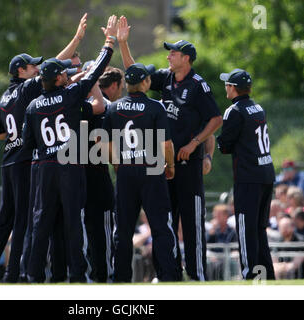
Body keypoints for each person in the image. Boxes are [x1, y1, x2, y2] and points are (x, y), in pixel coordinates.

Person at [0, 14, 89, 285]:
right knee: (24, 220)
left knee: (4, 221)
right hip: (24, 162)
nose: (37, 69)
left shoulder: (3, 98)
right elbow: (52, 65)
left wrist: (13, 134)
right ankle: (15, 275)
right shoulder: (26, 90)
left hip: (7, 162)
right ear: (21, 71)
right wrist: (78, 38)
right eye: (32, 67)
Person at [117, 16, 223, 281]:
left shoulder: (199, 85)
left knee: (192, 221)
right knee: (166, 222)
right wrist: (123, 44)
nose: (168, 56)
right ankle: (170, 274)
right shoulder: (166, 78)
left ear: (186, 58)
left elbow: (216, 119)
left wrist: (195, 143)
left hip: (189, 164)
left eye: (173, 52)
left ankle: (197, 275)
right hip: (165, 164)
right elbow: (135, 74)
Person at [22, 15, 117, 283]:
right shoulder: (71, 95)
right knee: (73, 221)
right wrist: (109, 42)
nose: (67, 74)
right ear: (57, 79)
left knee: (41, 223)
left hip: (44, 168)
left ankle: (33, 275)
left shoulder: (32, 107)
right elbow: (98, 70)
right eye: (63, 73)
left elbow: (30, 144)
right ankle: (77, 276)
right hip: (70, 165)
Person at [103, 62, 180, 282]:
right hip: (152, 170)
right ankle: (168, 276)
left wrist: (115, 162)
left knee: (123, 229)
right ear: (145, 82)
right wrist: (171, 166)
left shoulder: (113, 108)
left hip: (126, 171)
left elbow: (106, 143)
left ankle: (121, 278)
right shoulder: (156, 107)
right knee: (160, 227)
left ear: (127, 84)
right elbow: (166, 144)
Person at [217, 68, 276, 280]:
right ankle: (267, 276)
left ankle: (250, 275)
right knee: (259, 229)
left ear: (233, 88)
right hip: (266, 173)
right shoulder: (257, 107)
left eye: (227, 84)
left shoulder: (234, 110)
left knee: (246, 228)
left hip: (248, 176)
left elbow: (224, 146)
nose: (226, 87)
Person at [84, 66, 125, 282]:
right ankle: (104, 276)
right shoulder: (106, 108)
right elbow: (102, 141)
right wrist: (116, 161)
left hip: (73, 176)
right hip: (97, 176)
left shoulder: (77, 104)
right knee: (104, 229)